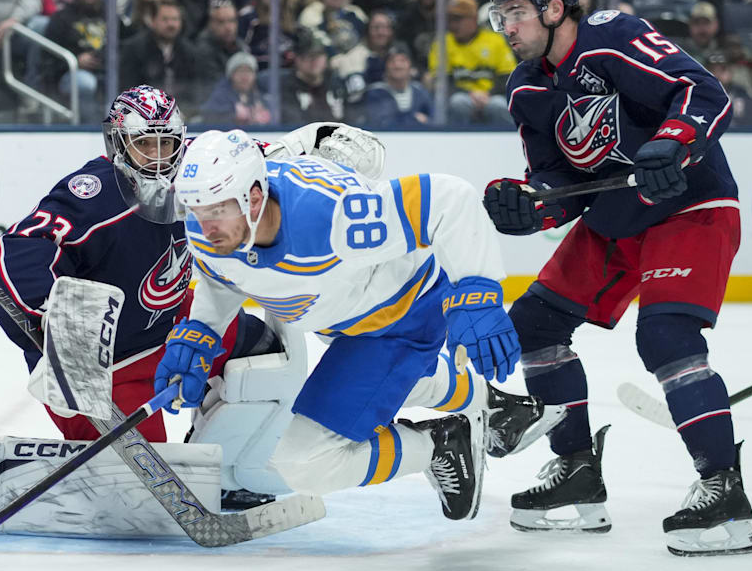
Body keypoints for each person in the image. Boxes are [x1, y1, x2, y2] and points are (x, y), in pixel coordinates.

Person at [485, 0, 752, 556]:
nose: (506, 27)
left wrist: (673, 142)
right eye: (500, 14)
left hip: (691, 203)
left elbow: (703, 91)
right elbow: (562, 186)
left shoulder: (611, 38)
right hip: (617, 221)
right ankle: (577, 473)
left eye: (517, 12)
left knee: (665, 337)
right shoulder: (526, 88)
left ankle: (724, 492)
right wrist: (529, 205)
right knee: (532, 327)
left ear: (556, 8)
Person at [156, 126, 562, 521]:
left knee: (304, 462)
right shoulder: (211, 224)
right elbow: (225, 274)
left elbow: (450, 200)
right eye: (196, 210)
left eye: (217, 211)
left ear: (255, 197)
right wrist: (201, 332)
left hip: (401, 320)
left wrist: (478, 289)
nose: (205, 227)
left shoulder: (334, 217)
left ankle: (439, 444)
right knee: (398, 384)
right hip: (347, 321)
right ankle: (493, 404)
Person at [0, 85, 298, 509]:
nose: (160, 156)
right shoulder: (93, 195)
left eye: (168, 143)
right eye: (145, 144)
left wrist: (308, 147)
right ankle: (138, 469)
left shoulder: (193, 171)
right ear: (118, 143)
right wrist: (50, 326)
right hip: (103, 371)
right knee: (140, 494)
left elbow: (258, 153)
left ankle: (225, 471)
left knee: (264, 353)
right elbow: (13, 256)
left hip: (168, 328)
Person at [428, 0, 515, 125]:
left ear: (474, 19)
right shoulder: (442, 43)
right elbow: (441, 82)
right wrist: (470, 94)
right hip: (461, 96)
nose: (452, 24)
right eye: (450, 19)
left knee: (499, 105)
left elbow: (508, 77)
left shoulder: (494, 41)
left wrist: (487, 94)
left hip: (491, 96)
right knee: (458, 102)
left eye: (458, 19)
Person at [362, 44, 432, 128]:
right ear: (386, 67)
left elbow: (434, 121)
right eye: (392, 61)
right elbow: (382, 123)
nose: (397, 65)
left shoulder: (420, 92)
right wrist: (415, 118)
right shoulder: (375, 93)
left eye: (402, 61)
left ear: (411, 66)